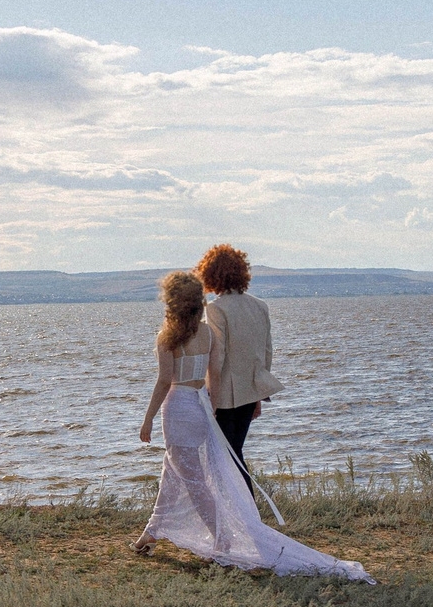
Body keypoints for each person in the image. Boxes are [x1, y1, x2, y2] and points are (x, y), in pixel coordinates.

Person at [133, 269, 371, 581]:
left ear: (172, 302)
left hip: (177, 409)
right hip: (201, 406)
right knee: (175, 469)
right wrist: (213, 409)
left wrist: (148, 418)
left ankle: (222, 540)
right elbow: (214, 376)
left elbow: (165, 380)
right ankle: (151, 531)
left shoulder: (168, 337)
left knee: (193, 481)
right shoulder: (208, 334)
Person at [196, 243, 280, 478]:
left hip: (223, 395)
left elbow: (217, 357)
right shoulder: (260, 306)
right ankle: (243, 511)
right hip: (249, 393)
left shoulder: (216, 309)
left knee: (227, 455)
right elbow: (266, 352)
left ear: (211, 275)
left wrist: (211, 400)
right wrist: (258, 395)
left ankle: (245, 511)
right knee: (234, 452)